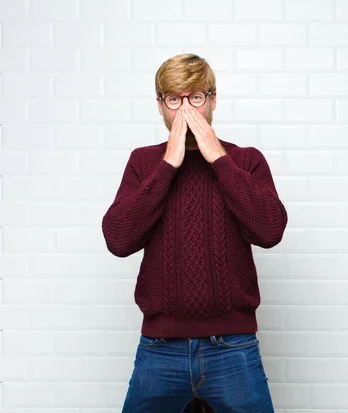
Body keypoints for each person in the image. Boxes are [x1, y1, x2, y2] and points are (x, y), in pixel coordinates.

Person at [102, 53, 287, 412]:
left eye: (196, 98)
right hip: (160, 348)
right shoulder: (144, 162)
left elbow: (269, 230)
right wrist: (168, 164)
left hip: (232, 346)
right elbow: (118, 240)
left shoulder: (246, 160)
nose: (185, 111)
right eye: (175, 100)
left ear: (213, 100)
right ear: (160, 106)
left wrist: (218, 157)